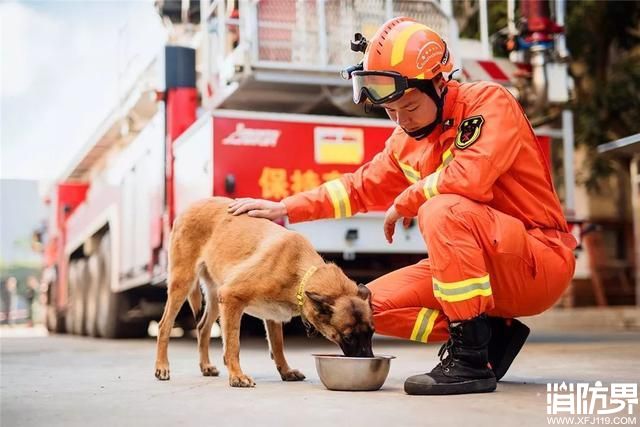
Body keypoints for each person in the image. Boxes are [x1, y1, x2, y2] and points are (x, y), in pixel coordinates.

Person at [228, 17, 576, 395]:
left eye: (409, 107)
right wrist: (285, 208)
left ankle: (470, 361)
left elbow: (468, 177)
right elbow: (356, 189)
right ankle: (491, 336)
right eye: (391, 112)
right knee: (366, 308)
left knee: (441, 209)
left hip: (536, 261)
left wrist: (406, 201)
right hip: (482, 271)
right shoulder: (404, 141)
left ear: (440, 84)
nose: (401, 120)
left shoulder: (489, 103)